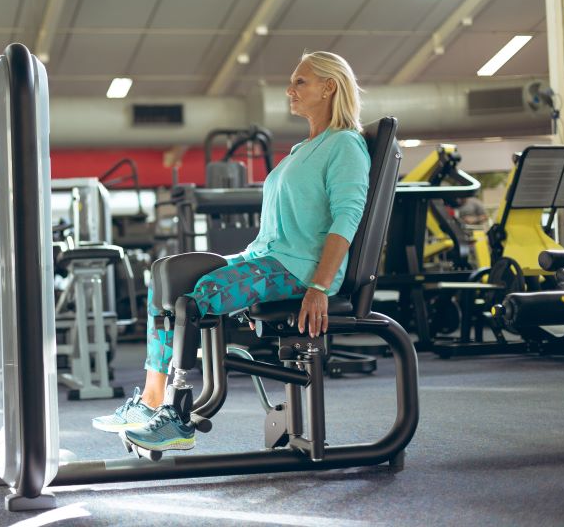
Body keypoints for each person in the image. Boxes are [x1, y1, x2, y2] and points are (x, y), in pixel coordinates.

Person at [92, 51, 371, 453]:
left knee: (200, 295)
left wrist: (319, 287)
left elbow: (347, 218)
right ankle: (152, 399)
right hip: (266, 257)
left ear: (330, 87)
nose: (290, 90)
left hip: (299, 268)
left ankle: (177, 417)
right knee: (164, 277)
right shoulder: (300, 150)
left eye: (301, 82)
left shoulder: (344, 145)